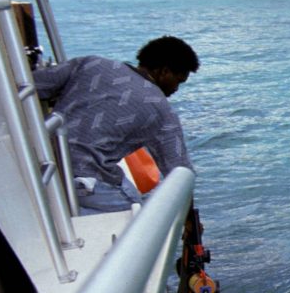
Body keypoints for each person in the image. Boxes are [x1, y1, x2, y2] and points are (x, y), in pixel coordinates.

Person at [32, 35, 199, 214]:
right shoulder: (161, 109)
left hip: (39, 158)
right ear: (164, 71)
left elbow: (35, 84)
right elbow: (179, 174)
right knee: (136, 216)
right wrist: (189, 218)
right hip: (84, 180)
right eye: (178, 82)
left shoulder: (91, 64)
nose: (176, 90)